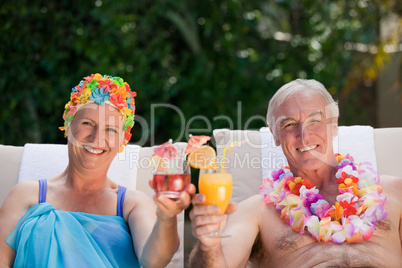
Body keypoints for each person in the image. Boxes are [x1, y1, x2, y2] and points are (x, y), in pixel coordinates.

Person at [189, 79, 402, 267]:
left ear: (334, 126)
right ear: (275, 136)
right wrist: (209, 244)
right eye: (289, 124)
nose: (304, 135)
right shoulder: (257, 211)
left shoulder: (394, 192)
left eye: (315, 121)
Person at [0, 73, 195, 267]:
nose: (96, 138)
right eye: (87, 123)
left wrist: (167, 218)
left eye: (110, 129)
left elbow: (154, 260)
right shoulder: (26, 195)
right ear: (68, 125)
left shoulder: (132, 204)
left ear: (122, 141)